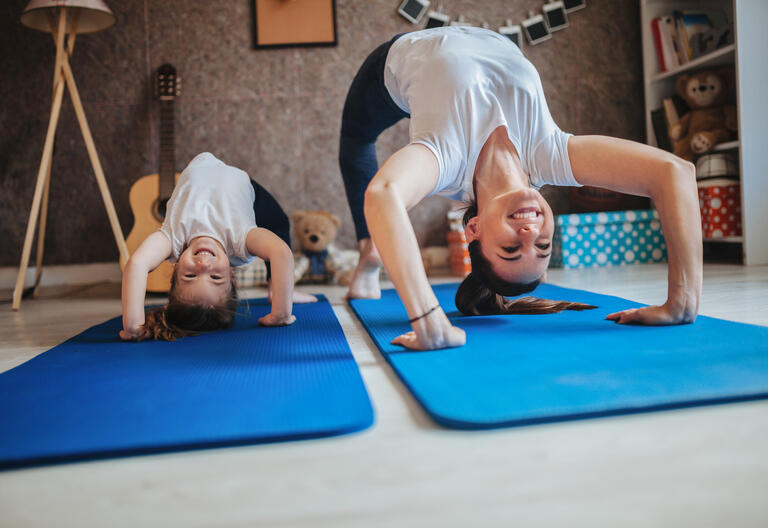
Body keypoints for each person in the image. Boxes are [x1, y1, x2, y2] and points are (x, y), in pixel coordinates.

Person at [339, 27, 702, 351]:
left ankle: (370, 252)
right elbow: (675, 172)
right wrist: (682, 302)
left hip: (400, 58)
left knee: (356, 142)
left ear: (474, 228)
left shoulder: (447, 162)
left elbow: (383, 192)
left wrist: (428, 319)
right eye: (543, 245)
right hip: (485, 36)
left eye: (511, 248)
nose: (530, 233)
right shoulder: (551, 155)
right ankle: (376, 250)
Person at [121, 152, 316, 341]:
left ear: (174, 271)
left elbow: (137, 264)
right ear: (232, 276)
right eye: (215, 277)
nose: (203, 265)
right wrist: (281, 312)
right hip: (240, 183)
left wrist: (133, 325)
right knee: (279, 223)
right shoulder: (240, 241)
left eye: (190, 276)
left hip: (197, 168)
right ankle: (277, 287)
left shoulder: (173, 240)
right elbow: (281, 252)